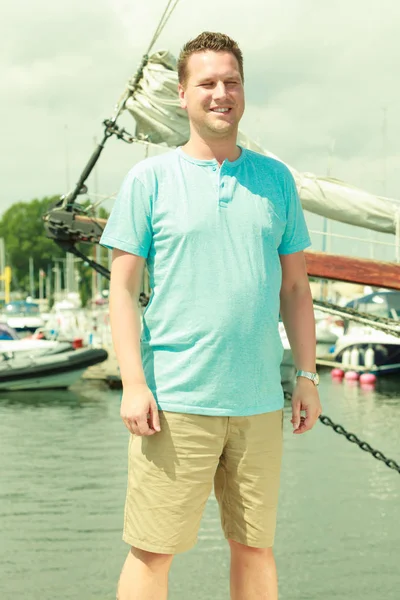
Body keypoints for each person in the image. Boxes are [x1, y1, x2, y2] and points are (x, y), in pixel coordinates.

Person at [100, 31, 322, 600]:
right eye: (208, 83)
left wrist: (307, 375)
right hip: (175, 402)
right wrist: (133, 383)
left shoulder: (276, 181)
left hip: (258, 403)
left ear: (243, 90)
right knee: (152, 552)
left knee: (256, 549)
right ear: (183, 94)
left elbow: (296, 289)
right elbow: (121, 293)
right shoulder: (148, 181)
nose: (221, 93)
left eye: (232, 82)